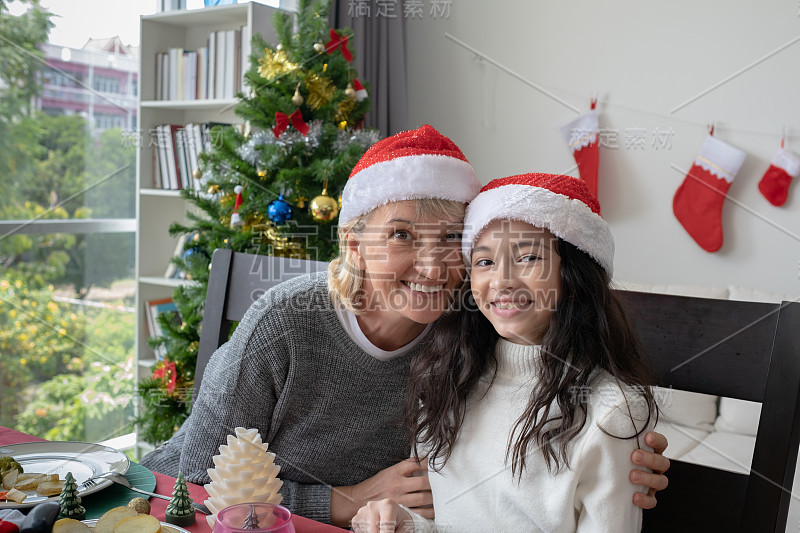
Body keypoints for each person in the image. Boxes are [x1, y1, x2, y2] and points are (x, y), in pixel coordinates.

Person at [141, 129, 669, 527]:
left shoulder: (470, 333)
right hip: (165, 505)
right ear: (354, 245)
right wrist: (344, 499)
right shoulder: (285, 324)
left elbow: (544, 397)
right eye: (401, 235)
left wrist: (625, 455)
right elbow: (190, 488)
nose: (433, 266)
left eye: (450, 240)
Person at [353, 173, 661, 532]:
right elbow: (438, 519)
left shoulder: (611, 411)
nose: (502, 281)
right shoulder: (449, 377)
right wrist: (399, 522)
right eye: (484, 262)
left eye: (528, 257)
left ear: (574, 273)